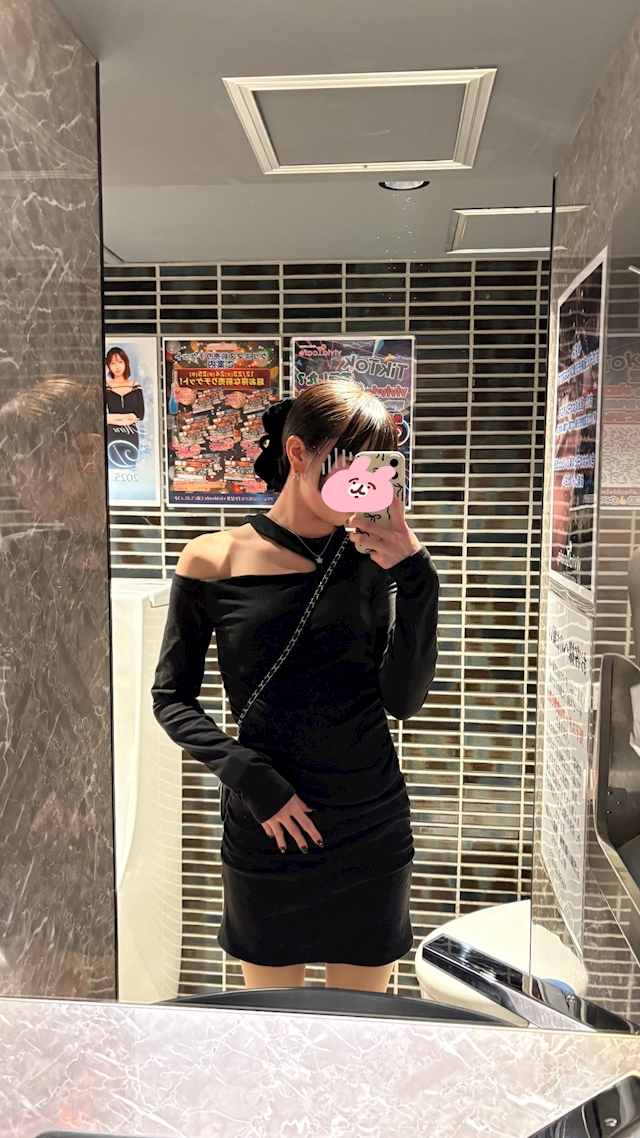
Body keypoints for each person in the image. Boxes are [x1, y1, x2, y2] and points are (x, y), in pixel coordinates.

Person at [152, 379, 439, 993]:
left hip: (368, 827)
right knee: (271, 1029)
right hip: (268, 830)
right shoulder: (212, 559)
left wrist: (418, 580)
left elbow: (402, 701)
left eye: (374, 467)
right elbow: (171, 698)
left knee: (359, 1031)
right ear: (299, 453)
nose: (360, 483)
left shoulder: (371, 559)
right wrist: (252, 779)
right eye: (348, 463)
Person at [105, 347, 145, 468]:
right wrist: (126, 417)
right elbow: (103, 416)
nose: (117, 366)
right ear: (108, 366)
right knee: (112, 465)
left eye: (120, 362)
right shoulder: (106, 387)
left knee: (129, 465)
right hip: (112, 433)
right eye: (112, 363)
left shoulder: (135, 386)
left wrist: (114, 418)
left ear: (126, 363)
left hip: (130, 432)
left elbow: (140, 414)